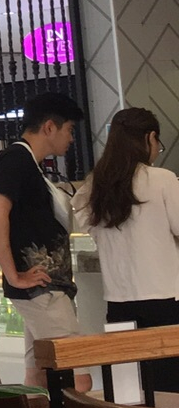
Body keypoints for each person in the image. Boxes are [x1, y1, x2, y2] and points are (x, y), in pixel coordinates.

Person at [0, 91, 86, 387]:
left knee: (39, 376)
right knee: (78, 376)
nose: (71, 138)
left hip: (43, 288)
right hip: (42, 290)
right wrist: (13, 275)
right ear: (49, 127)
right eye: (69, 130)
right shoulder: (16, 160)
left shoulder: (27, 163)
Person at [74, 107, 179, 393]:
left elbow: (87, 226)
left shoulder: (95, 185)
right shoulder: (162, 179)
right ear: (150, 137)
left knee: (126, 389)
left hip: (118, 301)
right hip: (164, 298)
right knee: (170, 390)